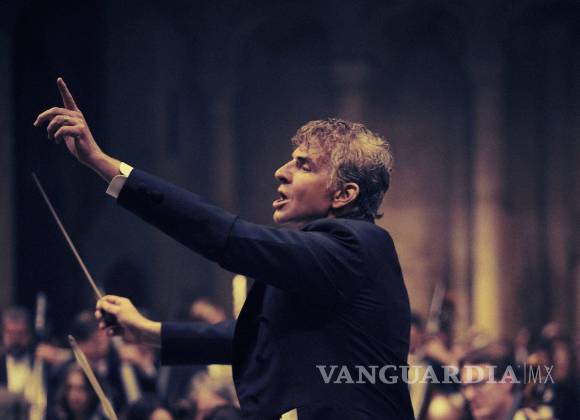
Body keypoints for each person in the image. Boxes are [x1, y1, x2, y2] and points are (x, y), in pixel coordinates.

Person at [35, 78, 414, 419]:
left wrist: (105, 166)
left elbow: (226, 236)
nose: (281, 172)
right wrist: (148, 331)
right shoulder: (326, 260)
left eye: (303, 165)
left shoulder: (356, 246)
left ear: (344, 194)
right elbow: (255, 338)